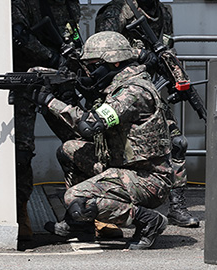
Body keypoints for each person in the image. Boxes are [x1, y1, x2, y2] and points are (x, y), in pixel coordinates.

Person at [35, 31, 172, 250]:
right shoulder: (118, 84)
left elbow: (89, 126)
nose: (89, 70)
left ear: (114, 61)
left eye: (93, 64)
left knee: (76, 199)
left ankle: (148, 221)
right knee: (69, 150)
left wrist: (51, 102)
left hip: (149, 179)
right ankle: (80, 225)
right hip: (123, 166)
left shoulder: (133, 91)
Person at [94, 0, 199, 228]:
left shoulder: (164, 13)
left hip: (154, 92)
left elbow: (169, 50)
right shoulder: (115, 12)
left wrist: (177, 77)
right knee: (115, 150)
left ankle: (176, 205)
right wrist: (141, 54)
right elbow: (103, 52)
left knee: (177, 143)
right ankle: (110, 210)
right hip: (122, 92)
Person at [11, 0, 82, 241]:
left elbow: (74, 34)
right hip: (27, 79)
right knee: (22, 151)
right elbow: (18, 35)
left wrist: (75, 57)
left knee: (79, 140)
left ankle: (85, 209)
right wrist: (50, 55)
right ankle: (21, 214)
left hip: (59, 79)